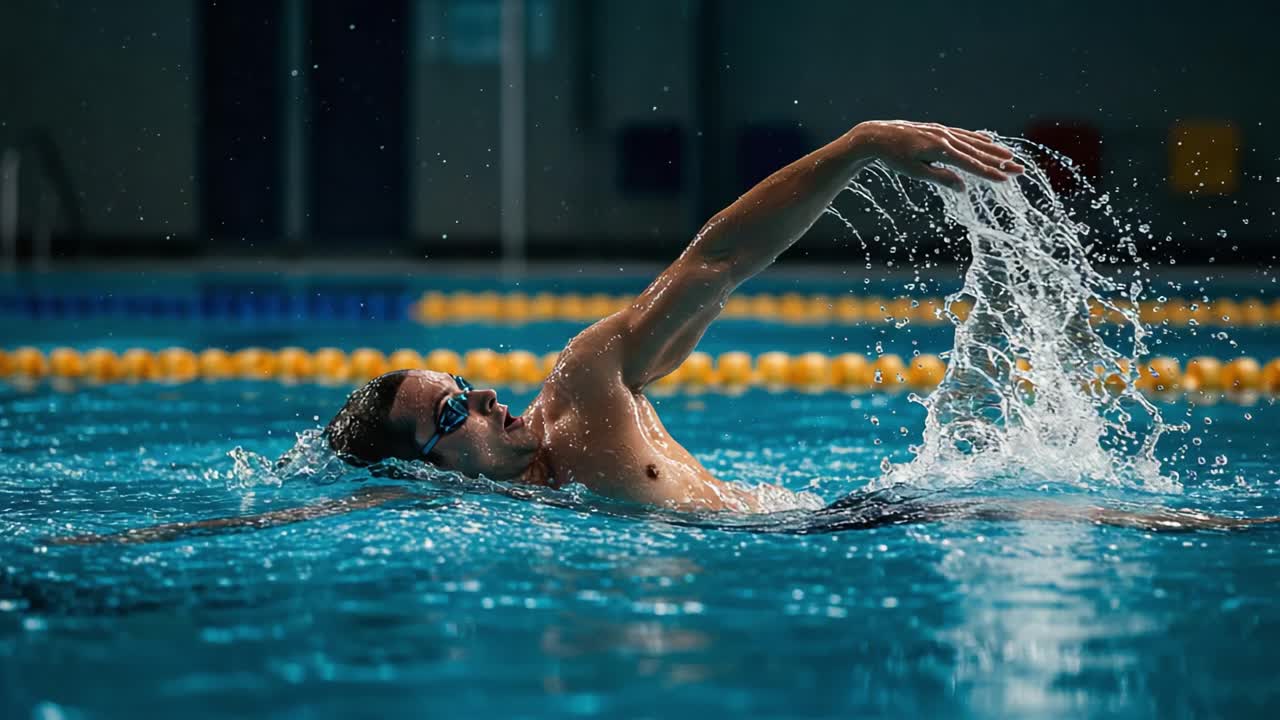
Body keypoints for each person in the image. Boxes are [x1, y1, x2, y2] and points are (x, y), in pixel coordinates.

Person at [49, 121, 1278, 546]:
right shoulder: (464, 511)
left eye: (468, 384)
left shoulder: (586, 390)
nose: (484, 402)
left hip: (855, 523)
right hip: (829, 544)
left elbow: (716, 263)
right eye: (453, 412)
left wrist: (857, 151)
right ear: (428, 465)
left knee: (1107, 515)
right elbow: (315, 511)